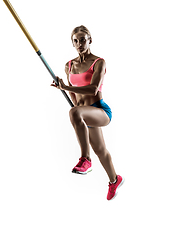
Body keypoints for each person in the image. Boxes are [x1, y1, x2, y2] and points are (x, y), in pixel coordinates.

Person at [51, 25, 124, 200]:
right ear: (72, 43)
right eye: (75, 41)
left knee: (75, 113)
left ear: (90, 40)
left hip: (100, 111)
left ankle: (85, 159)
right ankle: (114, 180)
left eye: (83, 39)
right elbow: (73, 92)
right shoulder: (69, 65)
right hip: (85, 113)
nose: (79, 43)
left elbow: (92, 89)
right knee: (101, 150)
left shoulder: (98, 62)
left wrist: (67, 90)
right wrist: (75, 105)